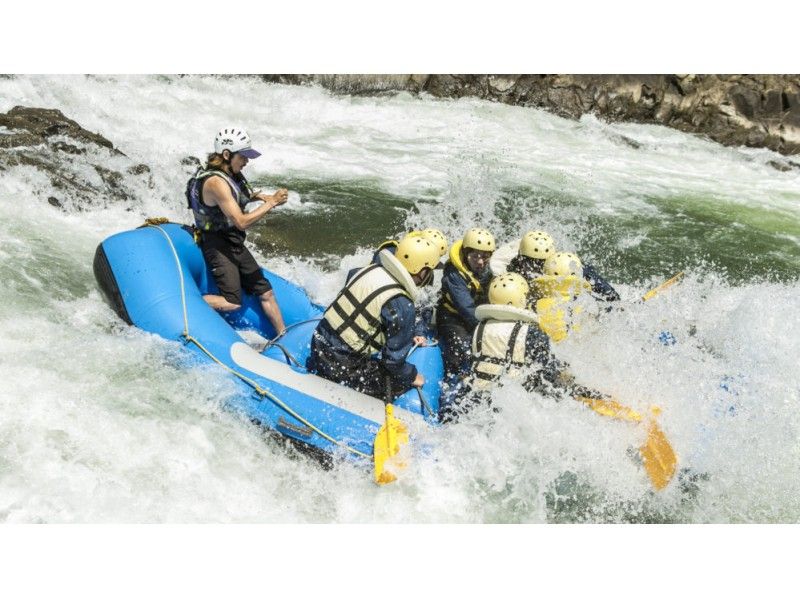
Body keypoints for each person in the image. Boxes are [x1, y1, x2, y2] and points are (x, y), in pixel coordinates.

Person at [308, 234, 440, 399]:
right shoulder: (403, 304)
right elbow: (393, 363)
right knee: (400, 383)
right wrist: (412, 375)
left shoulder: (370, 269)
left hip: (318, 342)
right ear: (422, 271)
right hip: (341, 365)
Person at [185, 127, 288, 336]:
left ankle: (283, 337)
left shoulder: (232, 174)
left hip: (233, 241)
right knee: (232, 302)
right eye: (243, 156)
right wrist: (272, 204)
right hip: (217, 244)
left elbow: (243, 195)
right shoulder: (215, 183)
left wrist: (267, 198)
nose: (247, 161)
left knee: (266, 292)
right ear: (226, 154)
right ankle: (186, 301)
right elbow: (241, 221)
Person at [436, 227, 496, 380]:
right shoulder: (453, 274)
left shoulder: (492, 266)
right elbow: (467, 309)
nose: (480, 262)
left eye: (485, 256)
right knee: (462, 348)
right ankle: (455, 376)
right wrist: (488, 330)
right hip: (453, 317)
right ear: (465, 252)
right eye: (475, 256)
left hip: (478, 313)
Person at [498, 230, 620, 303]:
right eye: (530, 262)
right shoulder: (512, 272)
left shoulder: (563, 265)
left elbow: (611, 296)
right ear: (521, 259)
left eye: (542, 262)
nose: (536, 267)